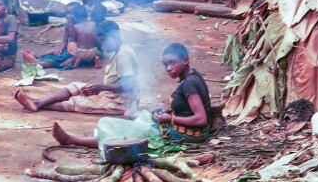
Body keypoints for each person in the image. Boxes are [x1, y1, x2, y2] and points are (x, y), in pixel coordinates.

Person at [51, 43, 211, 148]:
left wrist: (170, 119)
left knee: (127, 134)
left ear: (185, 60)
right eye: (165, 64)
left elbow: (200, 119)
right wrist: (168, 111)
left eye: (172, 63)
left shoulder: (189, 83)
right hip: (183, 128)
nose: (168, 68)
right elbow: (189, 110)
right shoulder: (192, 78)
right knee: (135, 119)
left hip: (189, 135)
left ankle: (72, 140)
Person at [13, 21, 138, 115]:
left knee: (79, 102)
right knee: (75, 86)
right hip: (111, 91)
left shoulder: (123, 55)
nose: (102, 47)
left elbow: (129, 85)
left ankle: (38, 104)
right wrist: (98, 86)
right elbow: (114, 78)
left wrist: (102, 87)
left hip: (122, 100)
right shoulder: (119, 51)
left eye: (103, 42)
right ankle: (38, 102)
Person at [36, 2, 77, 69]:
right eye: (66, 13)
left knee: (58, 59)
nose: (68, 16)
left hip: (76, 53)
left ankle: (40, 64)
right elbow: (65, 41)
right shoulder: (68, 25)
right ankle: (38, 59)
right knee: (53, 52)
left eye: (71, 13)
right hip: (69, 50)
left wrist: (73, 58)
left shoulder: (80, 27)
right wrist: (61, 49)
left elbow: (83, 48)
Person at [66, 4, 101, 69]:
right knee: (96, 50)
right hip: (93, 52)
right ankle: (96, 59)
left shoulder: (75, 26)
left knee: (71, 43)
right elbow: (96, 37)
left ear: (75, 16)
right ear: (87, 14)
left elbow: (74, 39)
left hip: (81, 53)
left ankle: (77, 59)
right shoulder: (93, 24)